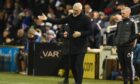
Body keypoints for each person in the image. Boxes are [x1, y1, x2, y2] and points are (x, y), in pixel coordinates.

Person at [38, 2, 92, 84]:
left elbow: (90, 31)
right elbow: (59, 21)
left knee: (78, 65)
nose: (74, 11)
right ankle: (77, 81)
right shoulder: (70, 17)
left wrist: (80, 33)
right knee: (73, 66)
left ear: (81, 10)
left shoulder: (86, 19)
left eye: (76, 10)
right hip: (72, 45)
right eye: (74, 9)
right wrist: (47, 19)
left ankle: (79, 82)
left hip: (82, 45)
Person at [114, 7, 140, 84]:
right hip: (120, 48)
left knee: (129, 65)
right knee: (123, 65)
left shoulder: (133, 23)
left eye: (123, 13)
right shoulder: (119, 23)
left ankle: (131, 81)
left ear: (129, 13)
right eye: (121, 13)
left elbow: (135, 36)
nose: (122, 15)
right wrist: (116, 44)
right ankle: (125, 81)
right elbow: (116, 35)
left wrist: (132, 48)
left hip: (128, 48)